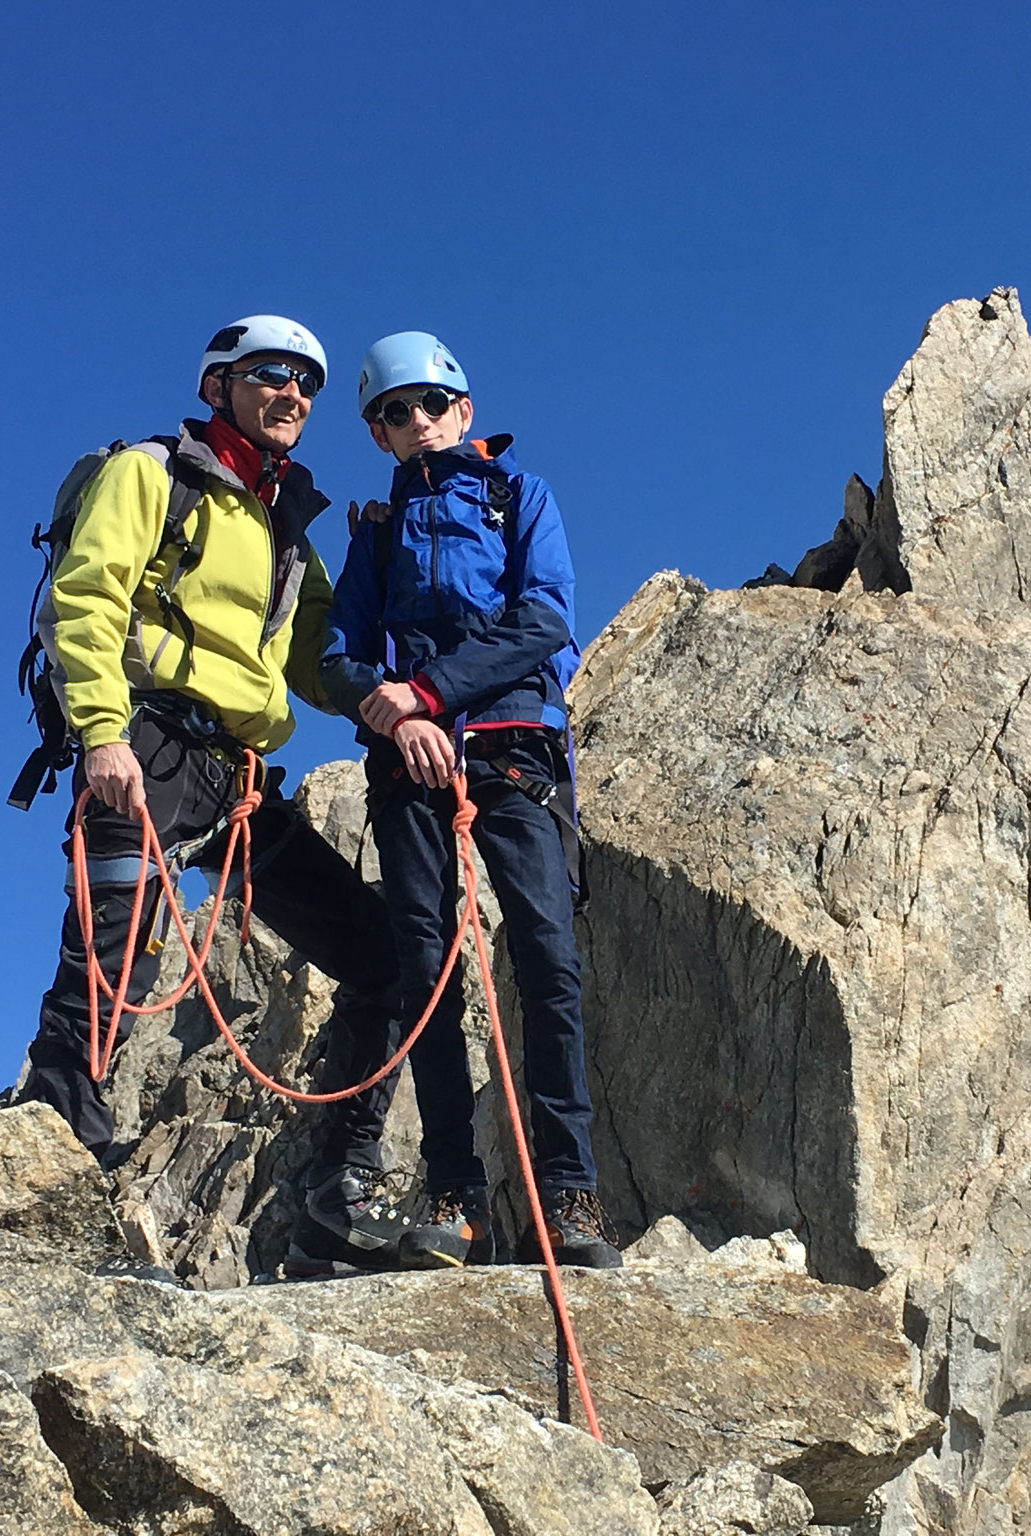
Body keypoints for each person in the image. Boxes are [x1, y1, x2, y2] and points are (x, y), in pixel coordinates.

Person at [19, 315, 420, 1274]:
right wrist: (103, 733)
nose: (292, 394)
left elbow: (321, 657)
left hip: (235, 775)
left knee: (381, 961)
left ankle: (338, 1186)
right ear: (220, 387)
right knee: (109, 969)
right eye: (271, 374)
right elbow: (86, 596)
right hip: (147, 742)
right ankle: (52, 1190)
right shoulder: (153, 473)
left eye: (307, 383)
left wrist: (395, 706)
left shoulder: (288, 522)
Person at [308, 330, 619, 1270]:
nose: (417, 423)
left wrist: (428, 693)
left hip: (512, 747)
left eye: (430, 405)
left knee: (548, 960)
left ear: (464, 411)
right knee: (429, 972)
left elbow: (546, 617)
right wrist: (392, 713)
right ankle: (457, 1195)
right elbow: (335, 654)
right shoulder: (373, 534)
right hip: (410, 762)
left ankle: (570, 1197)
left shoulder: (519, 496)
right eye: (393, 413)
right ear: (378, 434)